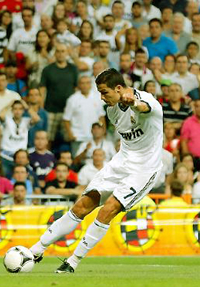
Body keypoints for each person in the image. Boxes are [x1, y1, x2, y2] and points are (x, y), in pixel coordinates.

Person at [30, 68, 163, 273]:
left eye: (104, 92)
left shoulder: (147, 100)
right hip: (121, 162)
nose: (102, 98)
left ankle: (72, 262)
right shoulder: (111, 110)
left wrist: (133, 103)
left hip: (144, 169)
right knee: (82, 205)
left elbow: (145, 108)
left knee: (109, 208)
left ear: (119, 88)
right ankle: (36, 250)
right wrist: (123, 102)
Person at [39, 43, 79, 144]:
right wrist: (41, 107)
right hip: (51, 110)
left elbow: (76, 89)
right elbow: (42, 89)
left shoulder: (73, 69)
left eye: (63, 51)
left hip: (68, 111)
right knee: (47, 140)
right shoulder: (47, 70)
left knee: (69, 139)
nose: (60, 54)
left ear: (67, 53)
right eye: (58, 51)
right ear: (54, 53)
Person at [63, 76, 106, 157]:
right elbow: (66, 119)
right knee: (77, 162)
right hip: (78, 137)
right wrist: (71, 135)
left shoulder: (97, 98)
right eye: (82, 83)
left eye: (87, 83)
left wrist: (103, 131)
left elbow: (101, 116)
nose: (85, 85)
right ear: (79, 85)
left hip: (94, 137)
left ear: (91, 85)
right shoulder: (72, 99)